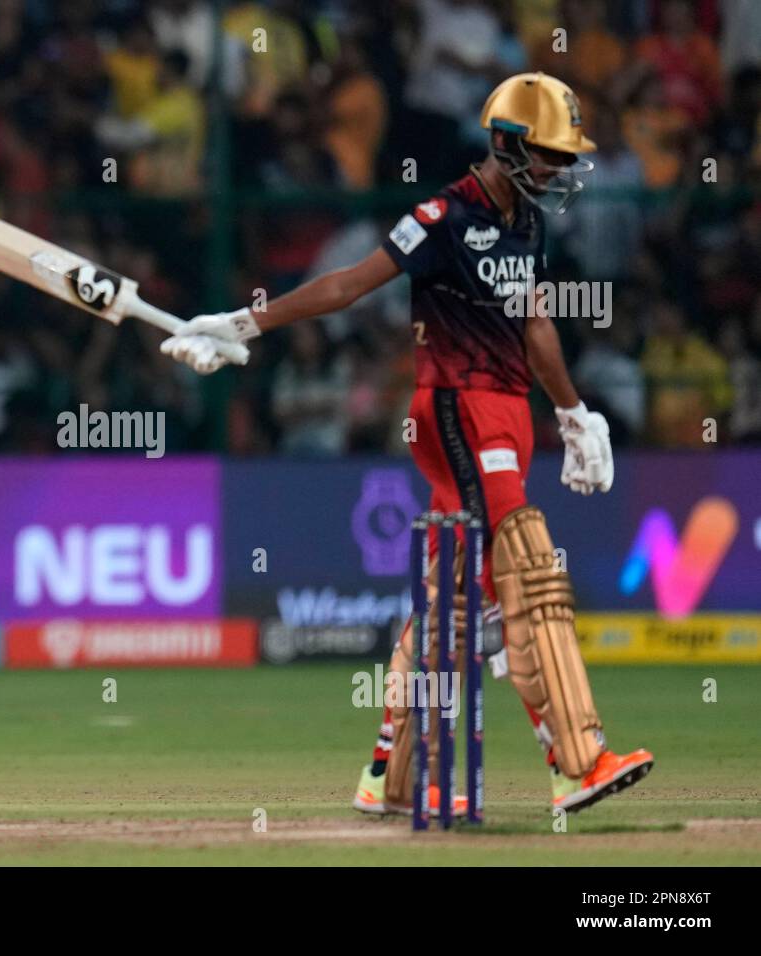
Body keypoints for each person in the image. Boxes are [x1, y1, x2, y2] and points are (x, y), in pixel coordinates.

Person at [162, 73, 654, 816]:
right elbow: (348, 286)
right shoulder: (441, 215)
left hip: (510, 414)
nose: (559, 168)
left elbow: (537, 326)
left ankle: (389, 776)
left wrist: (575, 415)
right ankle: (576, 761)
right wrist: (242, 325)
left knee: (451, 605)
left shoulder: (527, 223)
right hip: (456, 410)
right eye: (549, 152)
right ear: (507, 142)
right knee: (524, 563)